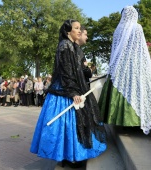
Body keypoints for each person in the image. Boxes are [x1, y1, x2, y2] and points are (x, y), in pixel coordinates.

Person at [30, 19, 107, 167]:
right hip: (65, 91)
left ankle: (69, 156)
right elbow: (66, 72)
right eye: (76, 28)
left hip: (71, 88)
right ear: (67, 32)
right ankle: (70, 157)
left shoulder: (71, 45)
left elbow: (76, 71)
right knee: (67, 124)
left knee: (71, 124)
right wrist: (73, 92)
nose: (79, 30)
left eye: (80, 28)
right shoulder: (65, 46)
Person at [98, 6, 151, 135]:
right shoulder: (137, 27)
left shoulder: (117, 30)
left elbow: (114, 51)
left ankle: (121, 123)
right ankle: (135, 122)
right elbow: (141, 48)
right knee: (135, 91)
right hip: (134, 65)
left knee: (122, 90)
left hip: (119, 67)